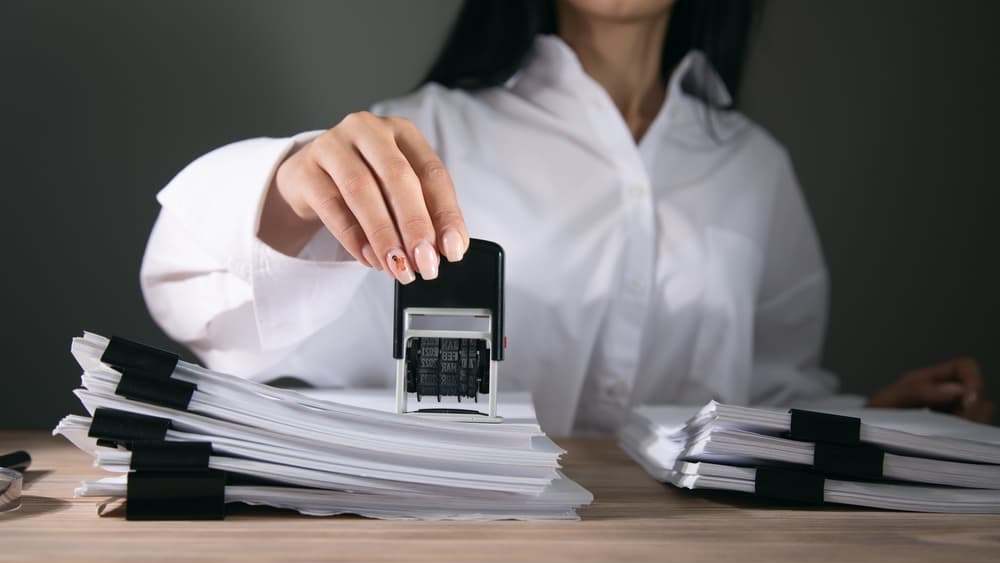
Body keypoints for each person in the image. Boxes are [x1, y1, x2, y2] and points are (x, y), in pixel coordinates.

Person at [140, 0, 993, 435]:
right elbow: (206, 307)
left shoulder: (755, 168)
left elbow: (760, 390)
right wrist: (289, 183)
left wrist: (863, 421)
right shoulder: (421, 132)